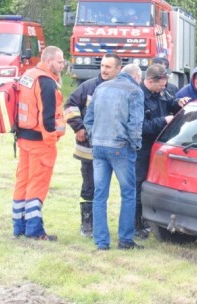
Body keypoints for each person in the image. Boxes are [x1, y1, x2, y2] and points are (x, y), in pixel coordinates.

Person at [84, 64, 144, 251]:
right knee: (128, 193)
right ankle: (125, 239)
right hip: (121, 147)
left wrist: (94, 137)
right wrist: (135, 145)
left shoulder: (101, 87)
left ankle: (101, 242)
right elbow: (135, 123)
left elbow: (88, 119)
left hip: (99, 146)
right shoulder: (134, 91)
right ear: (136, 76)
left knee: (100, 194)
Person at [64, 53, 122, 237]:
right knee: (89, 185)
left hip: (116, 146)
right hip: (89, 147)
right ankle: (87, 224)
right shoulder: (88, 87)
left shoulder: (123, 88)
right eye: (102, 66)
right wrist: (78, 127)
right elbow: (70, 106)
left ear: (118, 69)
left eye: (108, 67)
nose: (104, 70)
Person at [12, 46, 66, 241]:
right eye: (60, 62)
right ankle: (34, 230)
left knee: (23, 182)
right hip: (40, 143)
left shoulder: (28, 75)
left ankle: (19, 226)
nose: (62, 65)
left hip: (24, 138)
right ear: (49, 61)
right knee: (37, 184)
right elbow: (48, 118)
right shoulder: (46, 82)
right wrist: (51, 142)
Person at [135, 64, 189, 239]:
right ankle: (136, 224)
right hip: (142, 148)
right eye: (162, 83)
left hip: (161, 148)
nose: (165, 87)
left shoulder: (162, 92)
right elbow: (140, 127)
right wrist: (163, 121)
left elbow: (167, 103)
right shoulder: (138, 96)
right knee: (139, 185)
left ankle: (151, 221)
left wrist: (177, 104)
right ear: (151, 81)